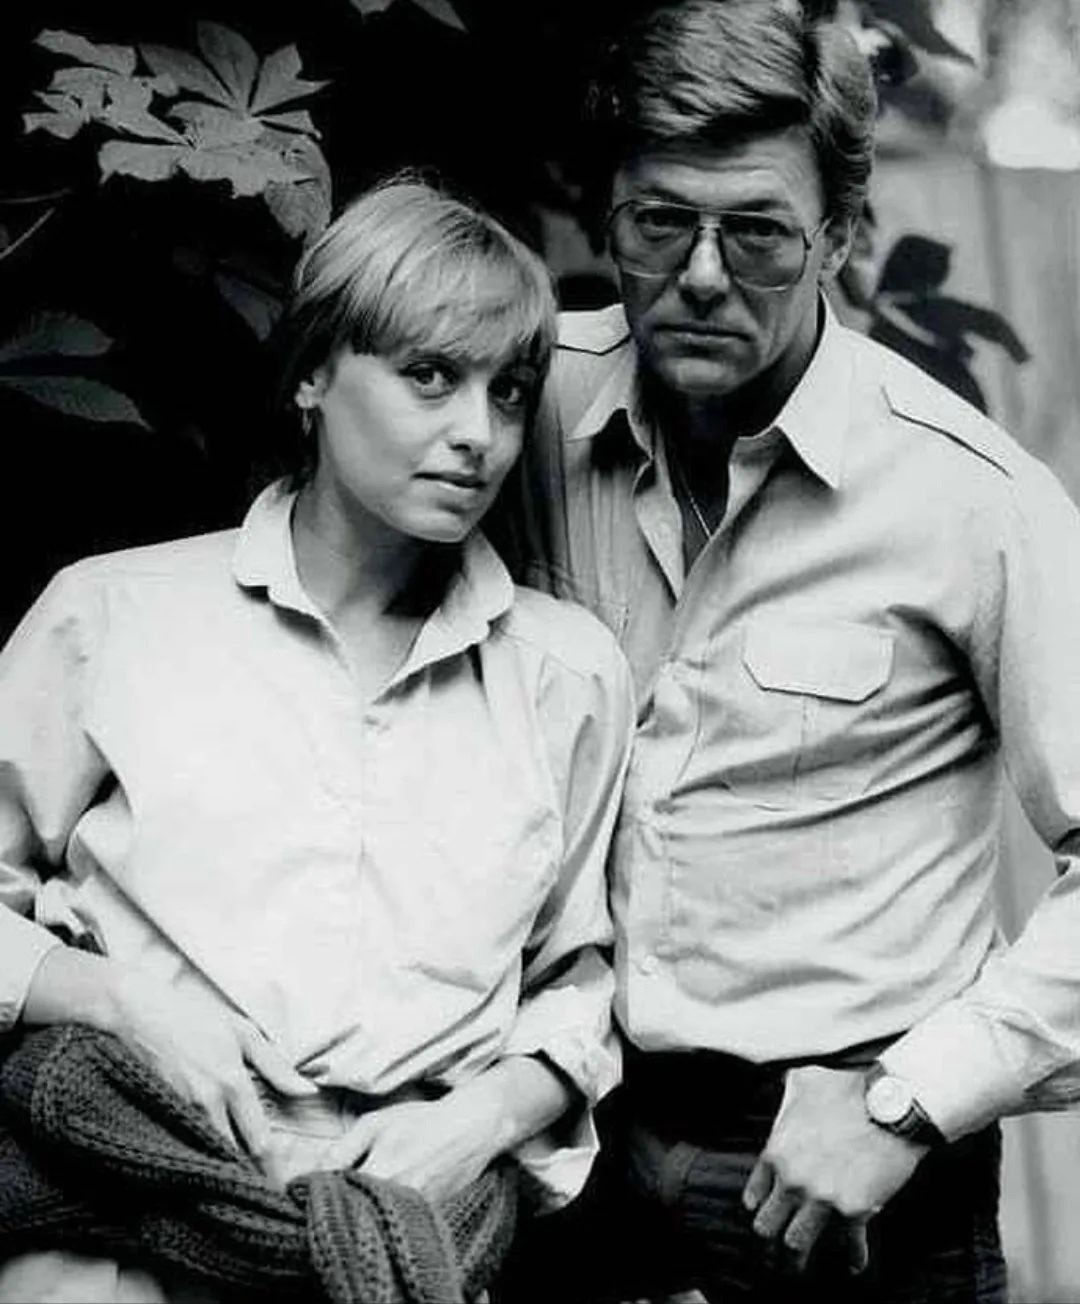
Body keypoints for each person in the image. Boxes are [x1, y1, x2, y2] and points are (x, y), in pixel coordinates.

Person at [492, 2, 1080, 1300]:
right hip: (562, 1145)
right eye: (660, 223)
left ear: (841, 235)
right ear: (608, 220)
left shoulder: (971, 499)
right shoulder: (516, 419)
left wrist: (909, 1101)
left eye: (757, 232)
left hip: (848, 1177)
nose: (703, 275)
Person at [0, 177, 634, 1302]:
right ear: (312, 374)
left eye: (509, 392)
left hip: (408, 1246)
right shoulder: (112, 617)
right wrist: (123, 1001)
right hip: (114, 1237)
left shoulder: (567, 676)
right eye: (429, 375)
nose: (477, 433)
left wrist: (485, 1117)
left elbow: (578, 976)